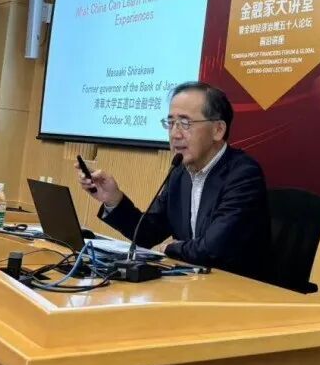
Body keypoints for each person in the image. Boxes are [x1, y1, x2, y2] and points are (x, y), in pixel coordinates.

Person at [75, 81, 274, 281]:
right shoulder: (180, 174)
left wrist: (171, 248)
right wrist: (113, 199)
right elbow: (148, 233)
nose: (174, 134)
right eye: (170, 123)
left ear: (218, 130)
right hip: (194, 282)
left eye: (185, 123)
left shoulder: (243, 174)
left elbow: (213, 249)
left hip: (236, 289)